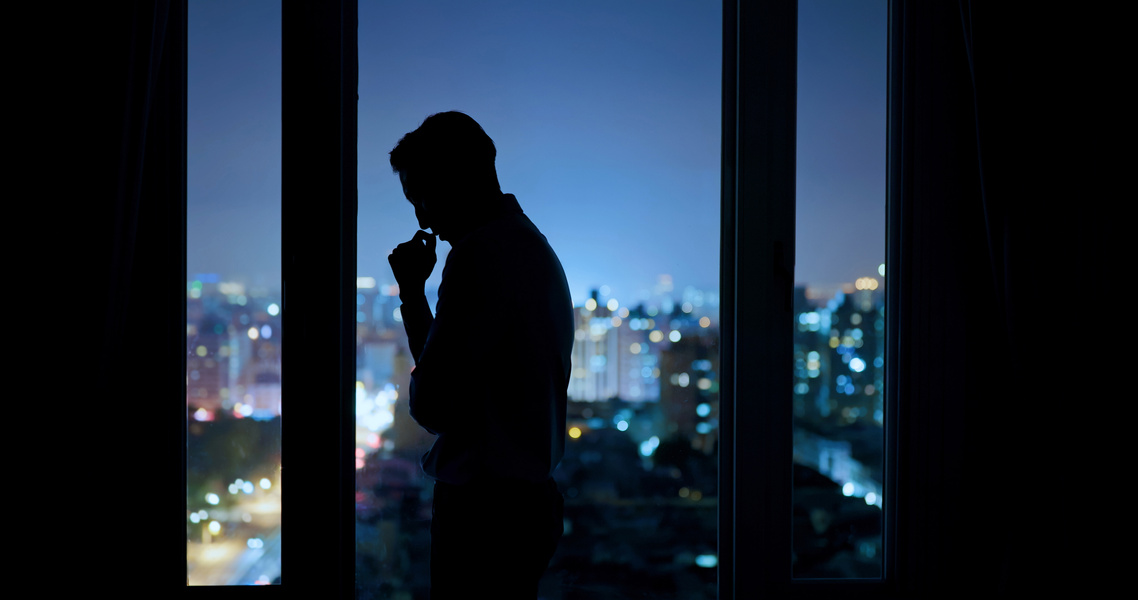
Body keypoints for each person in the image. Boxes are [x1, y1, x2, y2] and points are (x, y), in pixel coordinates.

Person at [386, 111, 573, 599]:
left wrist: (411, 296)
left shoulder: (480, 256)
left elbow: (433, 404)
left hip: (486, 515)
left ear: (456, 178)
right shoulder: (529, 245)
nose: (423, 219)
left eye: (421, 198)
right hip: (523, 504)